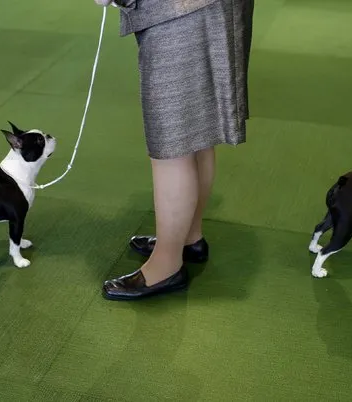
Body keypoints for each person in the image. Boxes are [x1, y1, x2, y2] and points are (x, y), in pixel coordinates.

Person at [94, 0, 254, 301]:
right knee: (196, 131)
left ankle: (166, 265)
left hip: (183, 10)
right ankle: (188, 238)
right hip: (205, 8)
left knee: (172, 143)